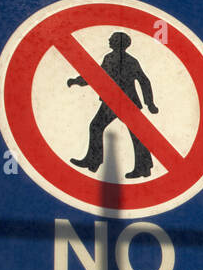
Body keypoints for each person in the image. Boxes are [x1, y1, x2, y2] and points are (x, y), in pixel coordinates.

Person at [67, 31, 158, 178]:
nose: (109, 40)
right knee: (99, 127)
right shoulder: (117, 58)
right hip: (114, 101)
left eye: (112, 38)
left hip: (125, 103)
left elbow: (143, 80)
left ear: (117, 42)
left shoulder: (120, 59)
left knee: (132, 134)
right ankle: (94, 161)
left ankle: (140, 168)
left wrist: (150, 103)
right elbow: (97, 75)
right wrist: (77, 81)